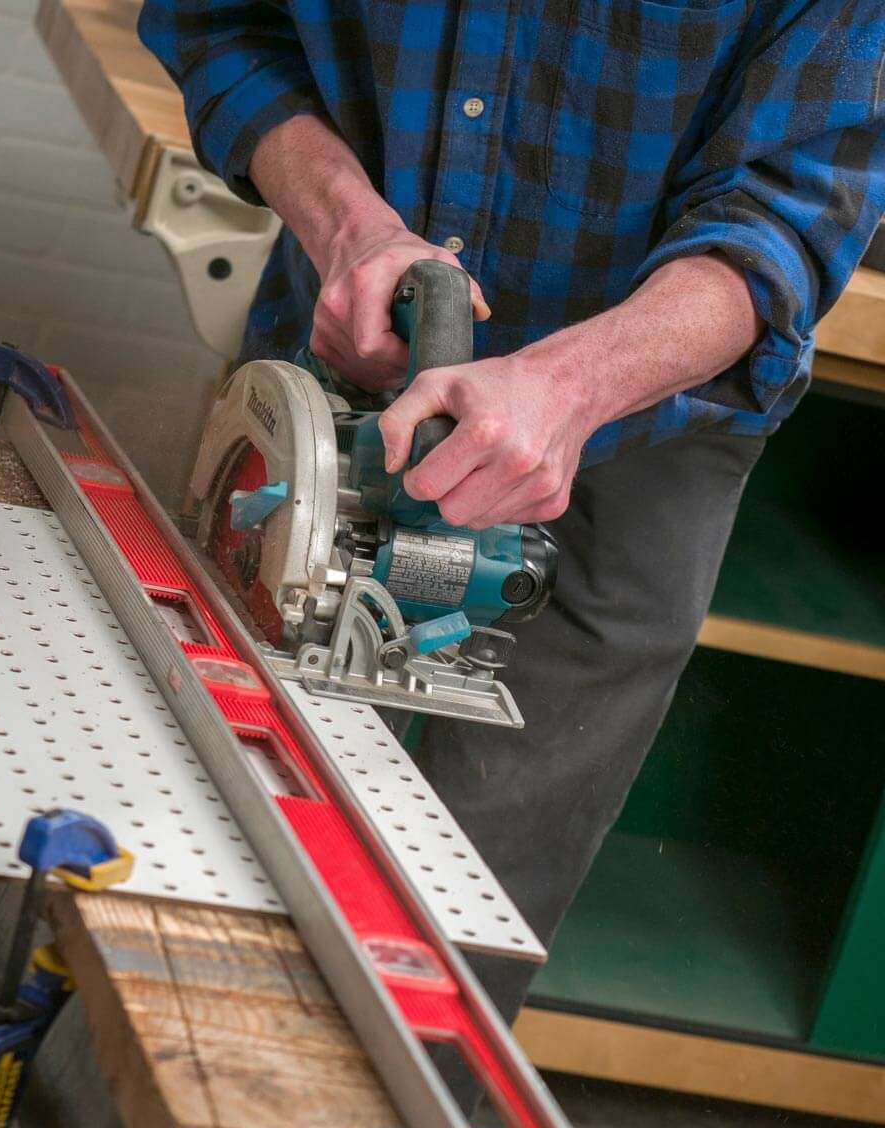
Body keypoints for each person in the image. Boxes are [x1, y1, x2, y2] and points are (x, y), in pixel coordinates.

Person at [138, 0, 885, 1036]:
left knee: (455, 939)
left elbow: (788, 215)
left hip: (635, 430)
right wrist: (351, 228)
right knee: (191, 851)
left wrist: (573, 389)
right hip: (339, 365)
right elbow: (217, 22)